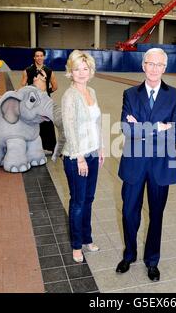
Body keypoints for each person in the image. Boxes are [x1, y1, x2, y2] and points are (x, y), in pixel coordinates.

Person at [115, 48, 176, 282]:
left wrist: (141, 129)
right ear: (143, 65)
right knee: (128, 212)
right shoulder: (130, 94)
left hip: (160, 166)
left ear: (165, 68)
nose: (154, 69)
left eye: (159, 65)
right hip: (134, 163)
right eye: (150, 64)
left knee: (156, 215)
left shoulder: (175, 95)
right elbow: (126, 129)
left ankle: (152, 260)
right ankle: (129, 254)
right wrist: (157, 128)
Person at [61, 50, 104, 263]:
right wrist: (79, 157)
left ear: (90, 70)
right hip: (75, 157)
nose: (81, 73)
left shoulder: (92, 92)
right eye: (77, 69)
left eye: (85, 68)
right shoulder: (70, 96)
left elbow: (97, 122)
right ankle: (76, 245)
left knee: (89, 199)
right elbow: (68, 128)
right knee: (78, 202)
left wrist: (101, 148)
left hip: (93, 154)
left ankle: (87, 238)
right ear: (71, 71)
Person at [20, 47, 58, 154]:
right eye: (37, 56)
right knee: (32, 123)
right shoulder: (27, 71)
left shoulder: (49, 71)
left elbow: (55, 86)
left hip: (45, 102)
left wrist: (46, 93)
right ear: (34, 57)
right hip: (32, 103)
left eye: (41, 56)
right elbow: (22, 86)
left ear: (44, 57)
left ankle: (51, 147)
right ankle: (31, 147)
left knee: (48, 124)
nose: (39, 58)